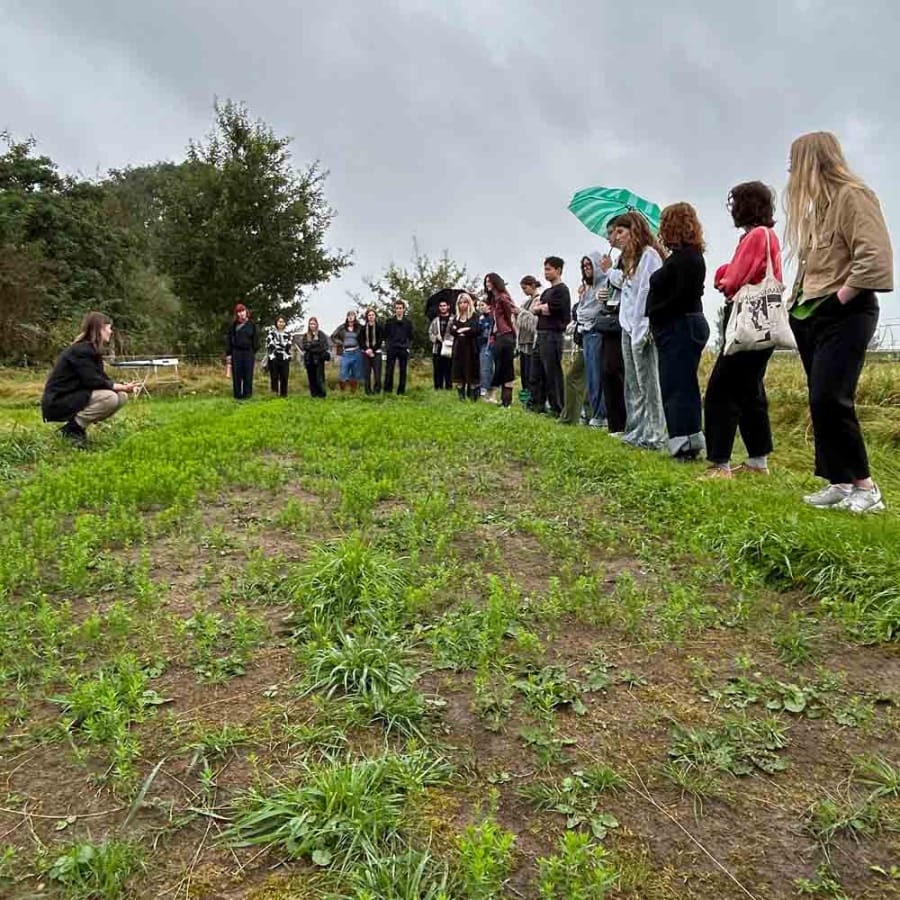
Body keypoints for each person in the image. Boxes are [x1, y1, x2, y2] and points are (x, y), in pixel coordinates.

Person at [786, 132, 893, 513]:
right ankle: (840, 481)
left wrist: (840, 297)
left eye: (794, 162)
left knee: (832, 396)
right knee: (819, 398)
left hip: (846, 311)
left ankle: (867, 487)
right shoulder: (818, 209)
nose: (790, 171)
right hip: (811, 313)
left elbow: (875, 256)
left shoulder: (854, 195)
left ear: (814, 162)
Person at [703, 182, 783, 478]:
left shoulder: (755, 236)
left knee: (720, 391)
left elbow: (733, 280)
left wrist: (722, 274)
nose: (732, 209)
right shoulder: (769, 236)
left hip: (747, 322)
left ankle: (719, 462)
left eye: (735, 203)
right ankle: (757, 459)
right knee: (750, 390)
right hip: (765, 323)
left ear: (746, 205)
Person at [648, 203, 710, 459]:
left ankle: (684, 442)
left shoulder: (688, 259)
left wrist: (656, 313)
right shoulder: (685, 256)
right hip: (681, 324)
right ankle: (688, 438)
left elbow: (681, 296)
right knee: (683, 383)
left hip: (679, 325)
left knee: (677, 385)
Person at [601, 214, 665, 448]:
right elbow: (627, 285)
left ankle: (655, 434)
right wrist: (609, 271)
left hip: (642, 327)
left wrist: (642, 330)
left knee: (648, 382)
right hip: (627, 326)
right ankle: (636, 430)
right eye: (613, 233)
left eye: (620, 232)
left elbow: (646, 293)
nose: (614, 237)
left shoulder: (649, 255)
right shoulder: (630, 260)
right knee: (633, 383)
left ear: (634, 230)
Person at [41, 312, 139, 446]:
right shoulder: (82, 351)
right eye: (109, 328)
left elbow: (100, 378)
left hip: (75, 396)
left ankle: (77, 428)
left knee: (121, 396)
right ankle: (72, 430)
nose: (111, 332)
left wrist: (122, 387)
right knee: (110, 398)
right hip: (59, 400)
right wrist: (121, 387)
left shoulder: (90, 350)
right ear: (100, 329)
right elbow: (93, 381)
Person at [596, 223, 627, 435]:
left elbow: (627, 283)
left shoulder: (629, 259)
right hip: (611, 316)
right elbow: (615, 288)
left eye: (615, 232)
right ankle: (614, 423)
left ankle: (622, 423)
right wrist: (603, 295)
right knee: (607, 371)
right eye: (609, 233)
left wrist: (608, 271)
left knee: (615, 370)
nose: (611, 237)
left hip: (622, 321)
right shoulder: (618, 260)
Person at [530, 256, 571, 417]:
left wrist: (541, 308)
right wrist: (541, 308)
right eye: (545, 269)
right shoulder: (547, 291)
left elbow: (551, 309)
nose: (546, 272)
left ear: (558, 270)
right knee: (536, 371)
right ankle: (537, 404)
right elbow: (536, 308)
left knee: (552, 372)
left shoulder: (562, 290)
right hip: (540, 334)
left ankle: (557, 407)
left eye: (549, 269)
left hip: (553, 335)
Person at [484, 273, 517, 407]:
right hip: (497, 337)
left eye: (489, 281)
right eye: (486, 282)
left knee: (506, 369)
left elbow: (511, 316)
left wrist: (513, 334)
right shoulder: (493, 300)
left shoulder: (503, 298)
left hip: (506, 335)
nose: (487, 284)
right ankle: (504, 401)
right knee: (500, 367)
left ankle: (506, 401)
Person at [449, 291, 480, 401]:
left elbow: (476, 330)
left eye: (465, 302)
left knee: (472, 372)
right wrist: (461, 330)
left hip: (471, 348)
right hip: (459, 349)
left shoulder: (474, 316)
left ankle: (473, 395)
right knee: (459, 372)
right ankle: (461, 396)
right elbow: (452, 330)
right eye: (460, 303)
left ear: (469, 303)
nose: (462, 305)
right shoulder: (456, 318)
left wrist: (466, 330)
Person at [225, 303, 260, 400]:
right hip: (236, 353)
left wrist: (253, 351)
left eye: (242, 311)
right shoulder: (233, 325)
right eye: (239, 312)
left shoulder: (252, 325)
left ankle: (247, 394)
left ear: (246, 311)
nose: (241, 313)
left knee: (248, 374)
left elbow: (256, 340)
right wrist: (229, 353)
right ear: (237, 314)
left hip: (248, 352)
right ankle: (237, 395)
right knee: (237, 374)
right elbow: (229, 340)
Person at [517, 276, 541, 401]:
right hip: (523, 341)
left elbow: (534, 320)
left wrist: (520, 313)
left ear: (532, 285)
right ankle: (525, 398)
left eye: (525, 288)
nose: (524, 291)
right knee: (524, 373)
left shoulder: (539, 300)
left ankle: (533, 398)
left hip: (532, 340)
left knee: (532, 373)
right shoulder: (526, 302)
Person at [383, 300, 413, 395]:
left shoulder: (408, 322)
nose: (399, 310)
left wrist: (408, 347)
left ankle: (401, 391)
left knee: (403, 371)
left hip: (403, 348)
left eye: (400, 308)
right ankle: (388, 390)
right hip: (392, 348)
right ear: (394, 310)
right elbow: (385, 335)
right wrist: (388, 346)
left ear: (404, 309)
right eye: (397, 308)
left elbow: (411, 336)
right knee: (389, 370)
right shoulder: (389, 322)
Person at [331, 311, 363, 392]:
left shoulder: (359, 327)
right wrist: (340, 343)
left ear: (355, 317)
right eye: (349, 316)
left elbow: (365, 335)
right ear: (347, 317)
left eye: (352, 316)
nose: (351, 317)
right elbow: (333, 336)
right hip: (346, 353)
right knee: (343, 373)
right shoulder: (342, 327)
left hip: (356, 352)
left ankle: (353, 392)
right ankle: (343, 392)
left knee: (355, 373)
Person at [300, 317, 330, 397]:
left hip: (319, 360)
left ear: (317, 324)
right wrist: (315, 345)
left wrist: (312, 346)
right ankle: (314, 395)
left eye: (313, 323)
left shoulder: (321, 334)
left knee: (319, 378)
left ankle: (322, 395)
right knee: (311, 378)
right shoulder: (306, 335)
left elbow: (323, 346)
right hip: (309, 360)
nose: (312, 325)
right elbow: (305, 347)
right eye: (310, 324)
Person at [428, 299, 454, 390]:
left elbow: (456, 332)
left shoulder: (453, 319)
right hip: (437, 347)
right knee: (437, 369)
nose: (443, 307)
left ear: (448, 307)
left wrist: (449, 340)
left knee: (448, 369)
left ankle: (448, 387)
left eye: (444, 305)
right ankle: (437, 387)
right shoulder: (435, 320)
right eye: (441, 306)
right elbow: (430, 332)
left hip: (449, 348)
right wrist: (435, 338)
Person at [265, 315, 293, 397]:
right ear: (276, 323)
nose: (281, 323)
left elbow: (288, 345)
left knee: (284, 377)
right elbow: (270, 345)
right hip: (274, 357)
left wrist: (279, 345)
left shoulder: (288, 334)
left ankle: (284, 395)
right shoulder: (271, 333)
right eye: (279, 322)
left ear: (285, 323)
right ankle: (274, 394)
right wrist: (280, 346)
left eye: (283, 322)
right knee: (274, 377)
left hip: (285, 358)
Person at [359, 308, 383, 395]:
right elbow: (360, 341)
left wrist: (372, 350)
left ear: (375, 316)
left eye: (373, 315)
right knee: (367, 374)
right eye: (369, 315)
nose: (371, 317)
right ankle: (368, 392)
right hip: (365, 353)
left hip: (376, 353)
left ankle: (376, 391)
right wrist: (367, 350)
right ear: (367, 317)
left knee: (377, 374)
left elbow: (380, 340)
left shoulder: (379, 327)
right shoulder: (363, 328)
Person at [476, 299, 494, 397]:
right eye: (479, 305)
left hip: (488, 344)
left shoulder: (492, 317)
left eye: (482, 304)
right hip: (480, 344)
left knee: (486, 367)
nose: (480, 307)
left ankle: (485, 388)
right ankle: (485, 386)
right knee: (483, 366)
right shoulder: (480, 318)